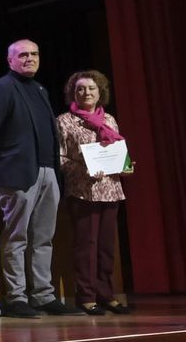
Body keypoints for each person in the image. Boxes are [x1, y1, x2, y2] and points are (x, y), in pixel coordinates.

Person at [0, 39, 79, 317]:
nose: (29, 58)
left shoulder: (40, 89)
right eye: (22, 55)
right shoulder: (2, 88)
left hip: (47, 171)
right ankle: (16, 298)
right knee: (17, 237)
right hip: (17, 174)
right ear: (10, 60)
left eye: (34, 54)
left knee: (44, 238)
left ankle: (43, 295)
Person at [56, 70, 136, 315]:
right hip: (83, 191)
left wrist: (126, 165)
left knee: (105, 247)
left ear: (100, 92)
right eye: (80, 89)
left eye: (91, 88)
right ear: (73, 93)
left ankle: (106, 294)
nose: (86, 92)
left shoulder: (109, 120)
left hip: (110, 190)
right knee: (86, 246)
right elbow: (60, 158)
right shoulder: (65, 121)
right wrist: (85, 171)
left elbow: (118, 152)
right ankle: (86, 296)